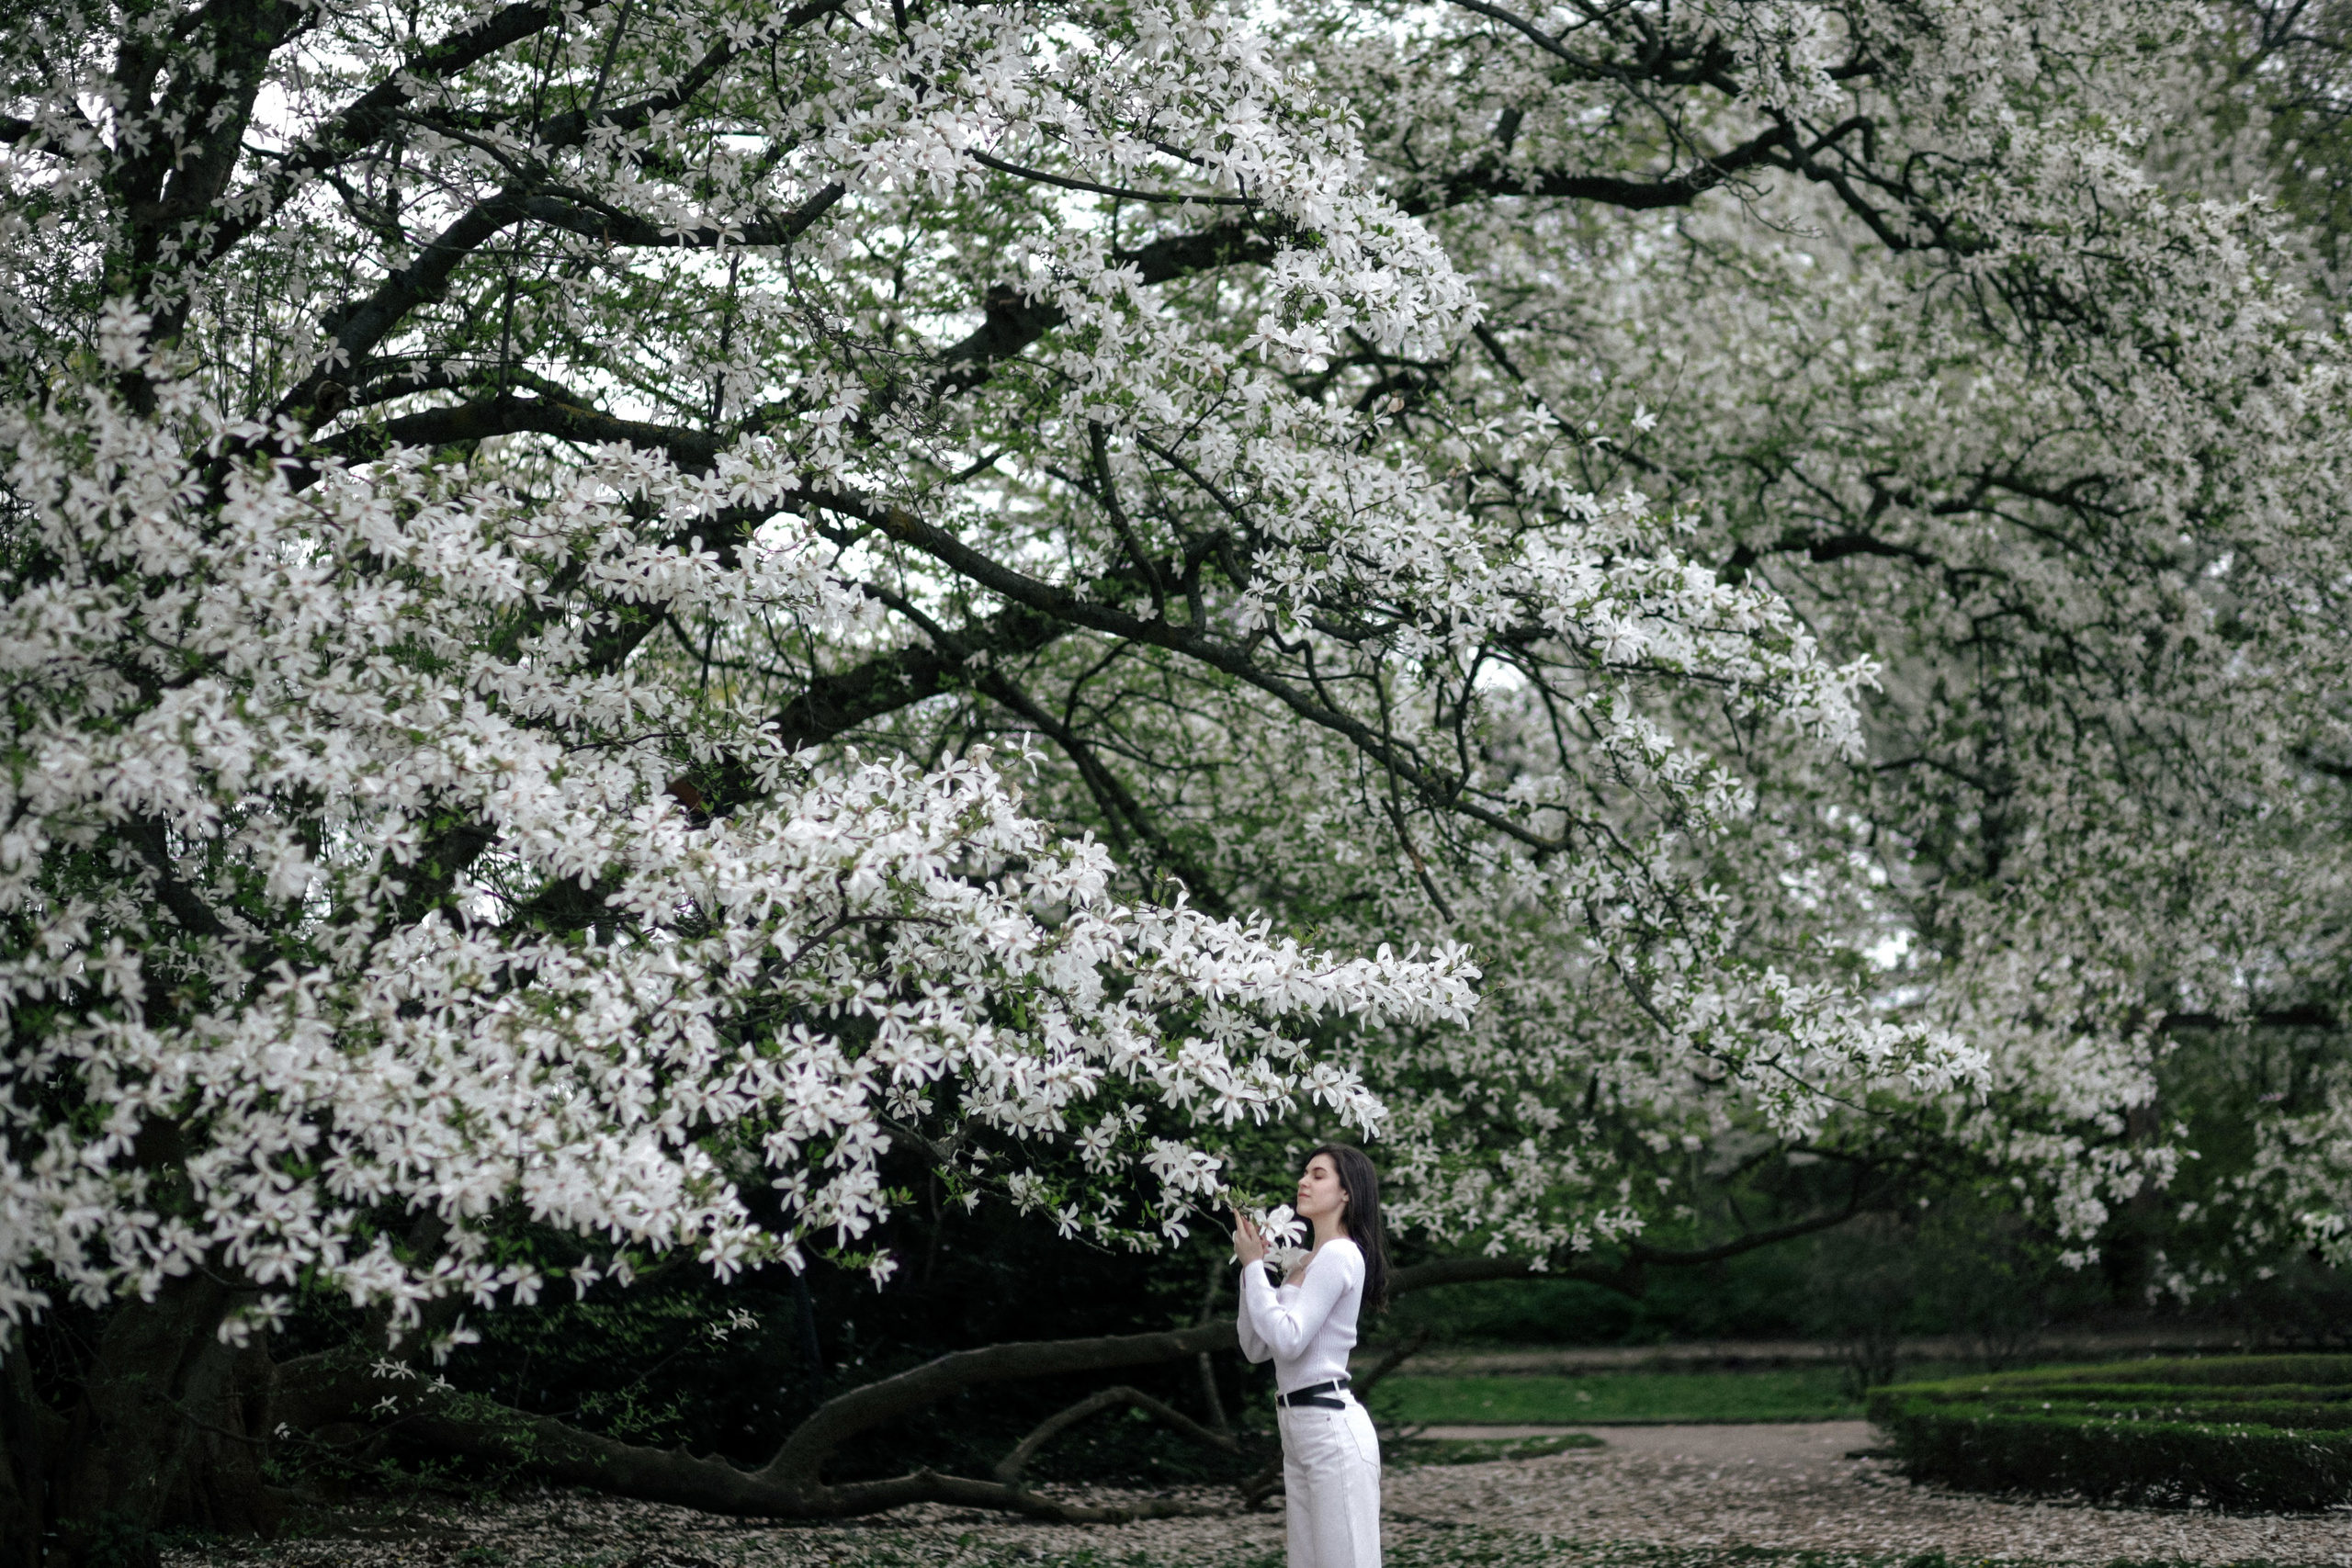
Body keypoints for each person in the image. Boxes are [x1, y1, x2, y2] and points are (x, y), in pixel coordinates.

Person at [1231, 1144, 1389, 1568]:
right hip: (1298, 1430)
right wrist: (1257, 1271)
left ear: (1346, 1193)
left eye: (1318, 1175)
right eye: (1305, 1173)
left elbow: (1289, 1339)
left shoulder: (1340, 1254)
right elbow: (1256, 1346)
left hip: (1330, 1429)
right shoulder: (1302, 1261)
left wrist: (1251, 1268)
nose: (1303, 1181)